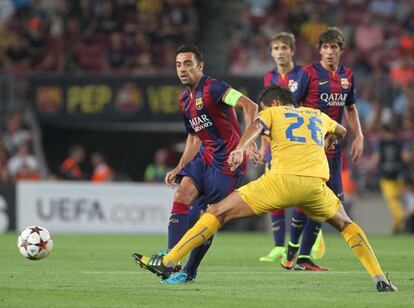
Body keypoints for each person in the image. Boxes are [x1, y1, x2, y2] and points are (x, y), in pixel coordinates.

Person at [133, 84, 397, 292]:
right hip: (316, 186)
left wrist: (240, 148)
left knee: (216, 212)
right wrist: (327, 141)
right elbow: (341, 130)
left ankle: (169, 261)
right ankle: (379, 277)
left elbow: (256, 126)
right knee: (346, 225)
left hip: (280, 182)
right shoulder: (317, 115)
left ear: (275, 103)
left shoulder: (272, 112)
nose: (261, 111)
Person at [150, 44, 258, 284]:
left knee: (206, 216)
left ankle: (189, 272)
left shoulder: (215, 89)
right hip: (205, 156)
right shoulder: (184, 100)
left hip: (228, 161)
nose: (182, 69)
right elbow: (194, 136)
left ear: (200, 67)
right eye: (178, 65)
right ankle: (171, 261)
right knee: (181, 195)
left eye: (188, 64)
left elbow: (250, 106)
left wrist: (247, 144)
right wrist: (179, 166)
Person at [281, 27, 364, 271]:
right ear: (319, 50)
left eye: (334, 47)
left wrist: (359, 135)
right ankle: (293, 252)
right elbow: (290, 107)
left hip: (333, 152)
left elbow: (350, 108)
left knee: (332, 201)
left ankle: (303, 258)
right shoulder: (307, 74)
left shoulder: (347, 76)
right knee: (309, 198)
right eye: (325, 47)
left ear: (340, 50)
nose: (329, 52)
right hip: (309, 150)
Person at [259, 32, 325, 264]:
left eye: (284, 48)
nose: (280, 52)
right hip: (273, 145)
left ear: (292, 51)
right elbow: (265, 113)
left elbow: (307, 108)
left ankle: (313, 235)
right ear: (271, 52)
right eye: (276, 48)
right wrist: (261, 145)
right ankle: (278, 245)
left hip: (296, 144)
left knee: (299, 192)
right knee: (274, 192)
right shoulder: (269, 77)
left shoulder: (303, 75)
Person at [371, 124, 411, 233]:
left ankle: (401, 217)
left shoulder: (380, 144)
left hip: (386, 177)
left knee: (392, 201)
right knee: (396, 201)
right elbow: (406, 157)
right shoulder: (400, 143)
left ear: (384, 132)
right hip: (398, 176)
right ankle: (397, 226)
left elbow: (376, 159)